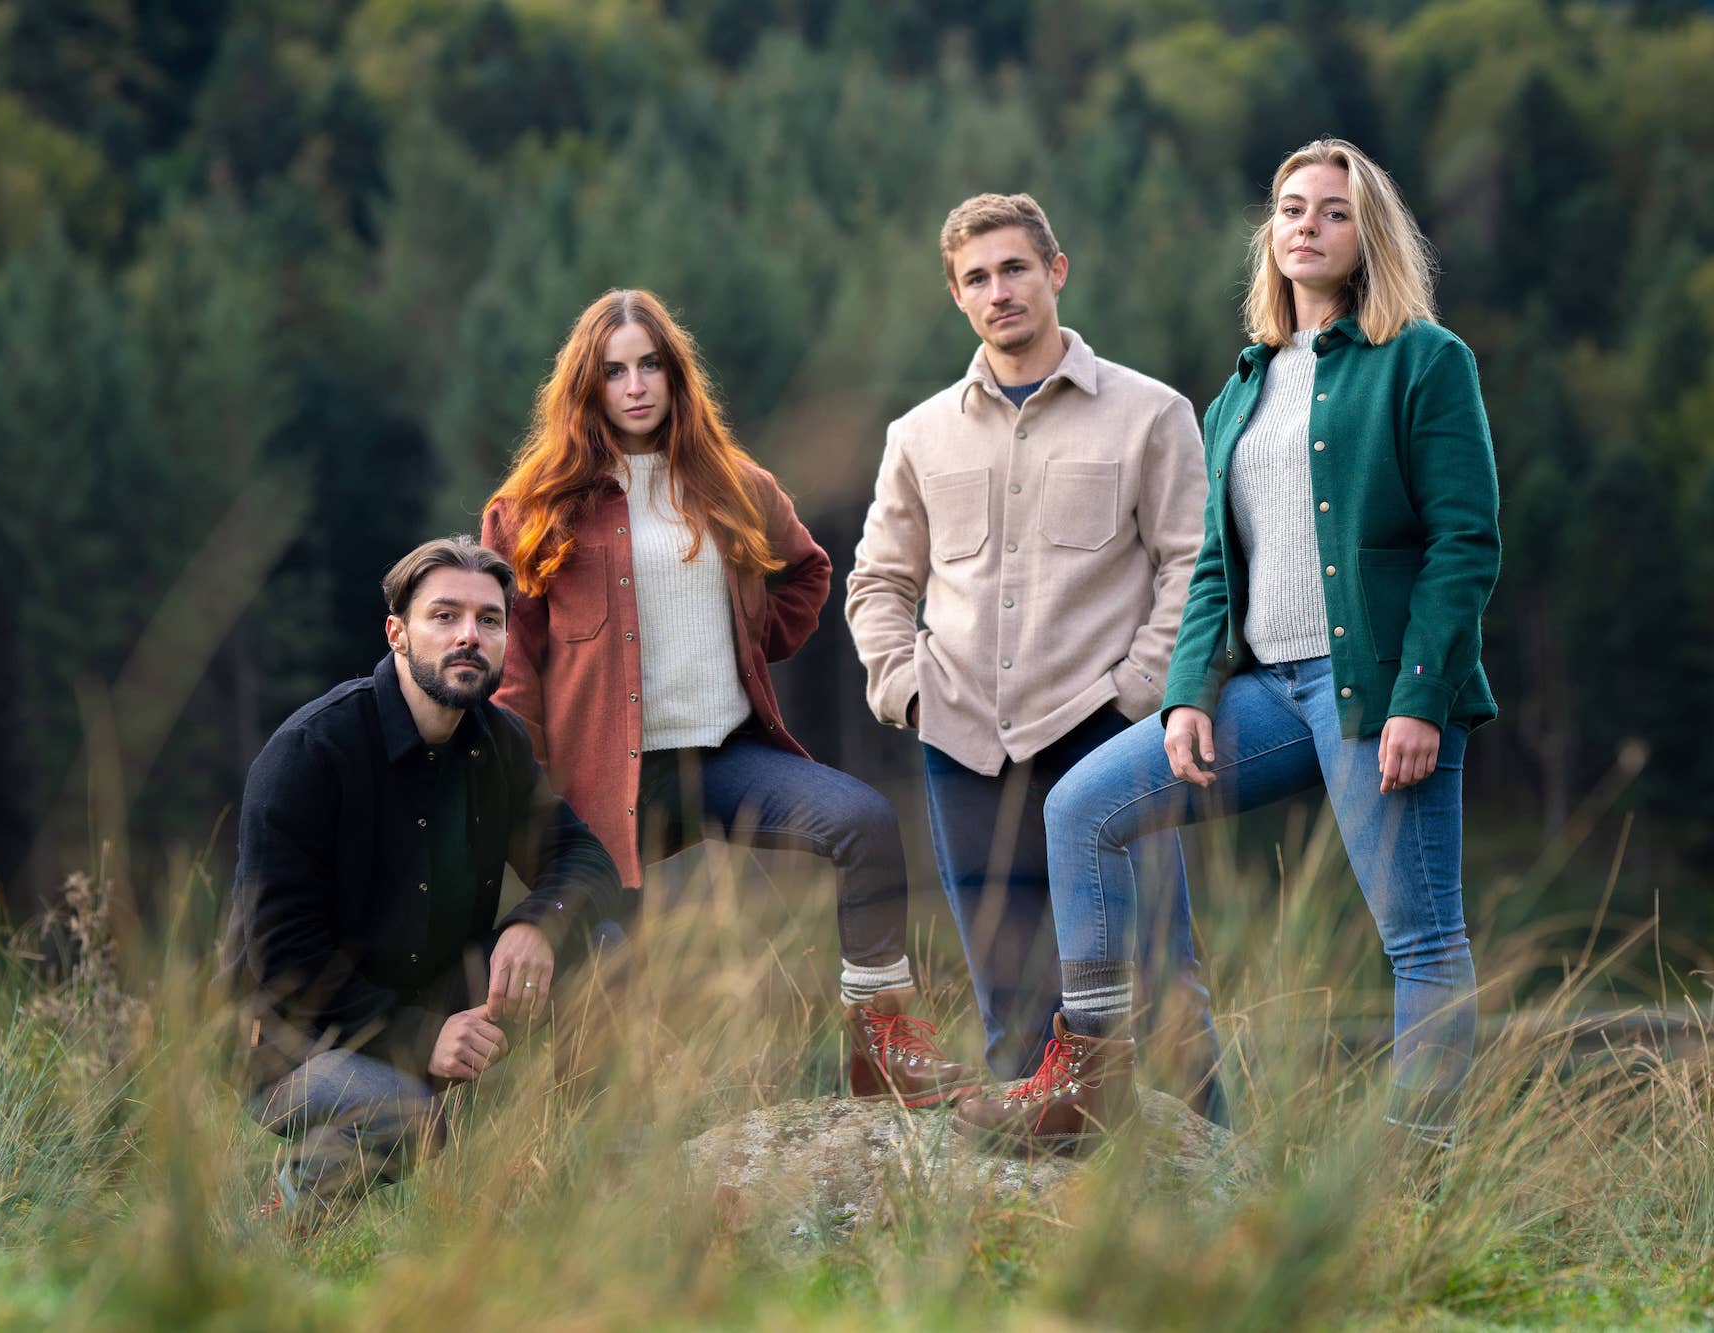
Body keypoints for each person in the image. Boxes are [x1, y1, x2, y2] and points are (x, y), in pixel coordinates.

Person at [956, 139, 1500, 1153]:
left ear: (1365, 233)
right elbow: (1211, 563)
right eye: (1290, 208)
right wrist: (1189, 693)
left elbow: (1464, 543)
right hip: (1269, 690)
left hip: (1378, 692)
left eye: (1331, 211)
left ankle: (1410, 1166)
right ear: (1270, 233)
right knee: (1082, 806)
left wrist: (1420, 698)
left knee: (1421, 939)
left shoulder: (1424, 361)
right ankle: (1089, 1075)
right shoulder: (1243, 387)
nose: (1305, 224)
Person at [480, 288, 979, 1108]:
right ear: (586, 388)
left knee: (864, 823)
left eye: (651, 366)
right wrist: (525, 789)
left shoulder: (732, 484)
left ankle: (883, 1047)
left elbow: (809, 569)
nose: (636, 385)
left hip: (727, 760)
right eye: (614, 372)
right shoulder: (532, 509)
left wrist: (755, 639)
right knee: (608, 974)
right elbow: (516, 663)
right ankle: (580, 1146)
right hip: (607, 786)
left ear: (677, 378)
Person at [845, 193, 1217, 1100]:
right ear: (957, 298)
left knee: (1159, 988)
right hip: (963, 743)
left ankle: (1215, 1192)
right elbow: (878, 583)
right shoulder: (919, 435)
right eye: (976, 277)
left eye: (1014, 268)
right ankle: (1035, 1222)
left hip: (1108, 740)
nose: (998, 290)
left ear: (1055, 272)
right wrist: (911, 692)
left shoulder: (1151, 414)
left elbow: (1194, 568)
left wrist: (1138, 693)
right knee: (1014, 1006)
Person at [222, 535, 622, 1220]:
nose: (470, 635)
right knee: (412, 1117)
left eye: (489, 620)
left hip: (433, 999)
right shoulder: (310, 752)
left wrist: (537, 922)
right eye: (445, 616)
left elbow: (585, 858)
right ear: (398, 634)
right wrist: (419, 1037)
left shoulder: (500, 745)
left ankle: (586, 1182)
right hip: (294, 1042)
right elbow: (285, 961)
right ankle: (269, 1229)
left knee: (600, 943)